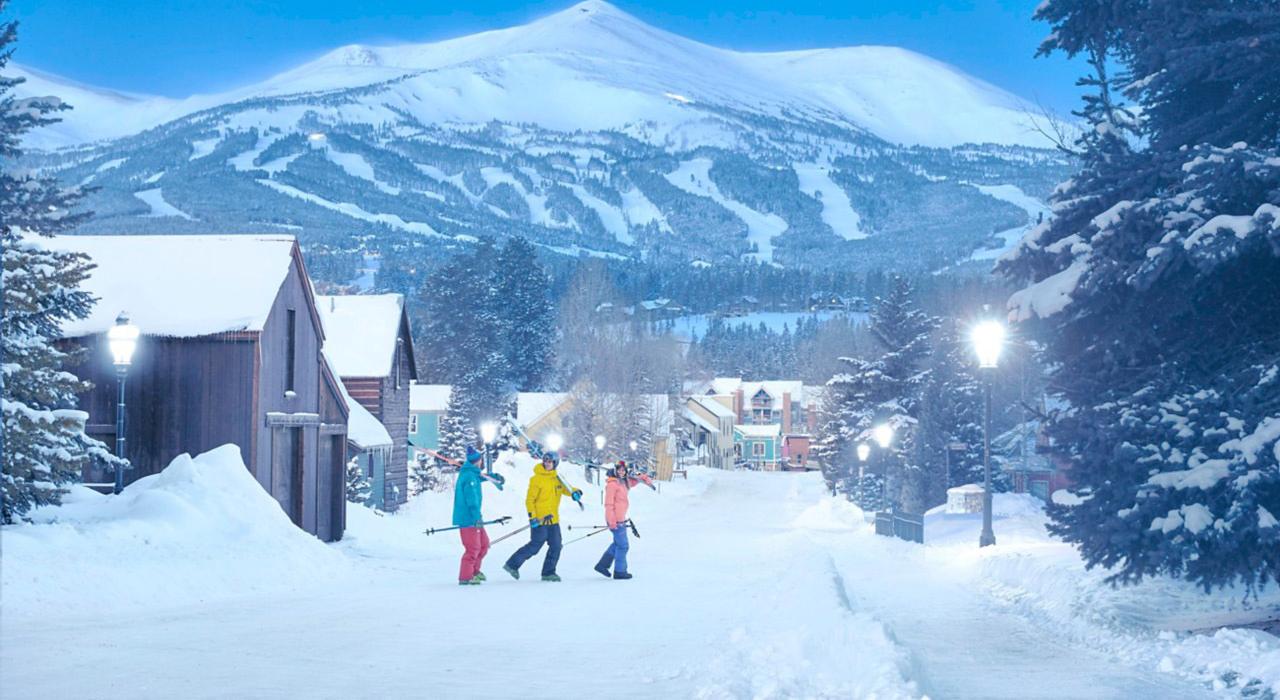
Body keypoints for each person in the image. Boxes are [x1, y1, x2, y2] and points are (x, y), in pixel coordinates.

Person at [503, 451, 583, 582]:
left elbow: (567, 489)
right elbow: (530, 500)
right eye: (545, 461)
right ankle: (512, 564)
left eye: (550, 461)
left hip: (553, 519)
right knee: (535, 546)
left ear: (555, 463)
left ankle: (548, 572)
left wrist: (576, 492)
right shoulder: (536, 479)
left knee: (556, 545)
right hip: (540, 519)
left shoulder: (558, 478)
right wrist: (532, 517)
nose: (547, 464)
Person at [594, 460, 653, 580]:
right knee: (623, 546)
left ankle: (602, 565)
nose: (621, 472)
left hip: (621, 518)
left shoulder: (624, 483)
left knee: (618, 544)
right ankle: (620, 571)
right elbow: (608, 504)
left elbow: (636, 480)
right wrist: (611, 521)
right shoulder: (612, 484)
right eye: (619, 470)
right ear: (615, 470)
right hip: (614, 519)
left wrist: (644, 477)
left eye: (623, 470)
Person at [453, 446, 493, 585]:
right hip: (468, 518)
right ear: (479, 461)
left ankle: (474, 570)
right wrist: (476, 518)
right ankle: (465, 577)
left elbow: (478, 478)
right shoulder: (469, 476)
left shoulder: (471, 473)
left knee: (484, 544)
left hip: (475, 518)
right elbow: (472, 501)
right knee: (473, 548)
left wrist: (492, 478)